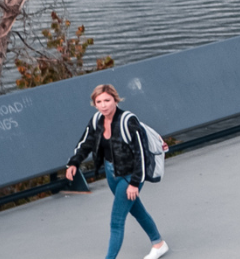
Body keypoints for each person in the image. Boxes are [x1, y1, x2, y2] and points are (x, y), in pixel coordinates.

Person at [66, 85, 170, 259]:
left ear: (115, 100)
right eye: (99, 102)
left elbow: (141, 155)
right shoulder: (97, 120)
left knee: (116, 222)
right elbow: (86, 143)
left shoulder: (128, 121)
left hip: (130, 175)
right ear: (94, 104)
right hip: (111, 173)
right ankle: (158, 243)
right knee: (137, 210)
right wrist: (74, 163)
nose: (103, 105)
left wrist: (135, 183)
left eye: (107, 100)